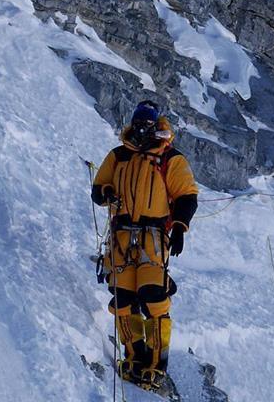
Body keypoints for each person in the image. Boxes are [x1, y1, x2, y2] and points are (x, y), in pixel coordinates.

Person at [91, 101, 198, 391]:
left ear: (155, 126)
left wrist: (179, 228)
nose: (141, 130)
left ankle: (157, 363)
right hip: (122, 237)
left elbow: (187, 195)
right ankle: (134, 357)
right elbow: (98, 189)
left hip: (153, 236)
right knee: (123, 299)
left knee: (152, 295)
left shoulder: (169, 158)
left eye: (146, 126)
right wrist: (107, 193)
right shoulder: (119, 156)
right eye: (138, 124)